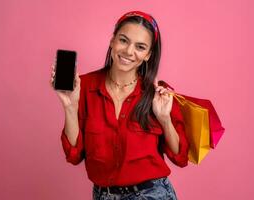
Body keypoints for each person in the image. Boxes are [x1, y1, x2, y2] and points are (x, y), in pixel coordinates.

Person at [50, 10, 189, 200]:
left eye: (140, 47)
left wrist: (165, 120)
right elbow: (74, 156)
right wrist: (70, 106)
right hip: (104, 195)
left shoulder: (158, 93)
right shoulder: (83, 87)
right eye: (123, 40)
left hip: (153, 194)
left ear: (148, 54)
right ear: (112, 40)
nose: (129, 51)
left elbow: (180, 157)